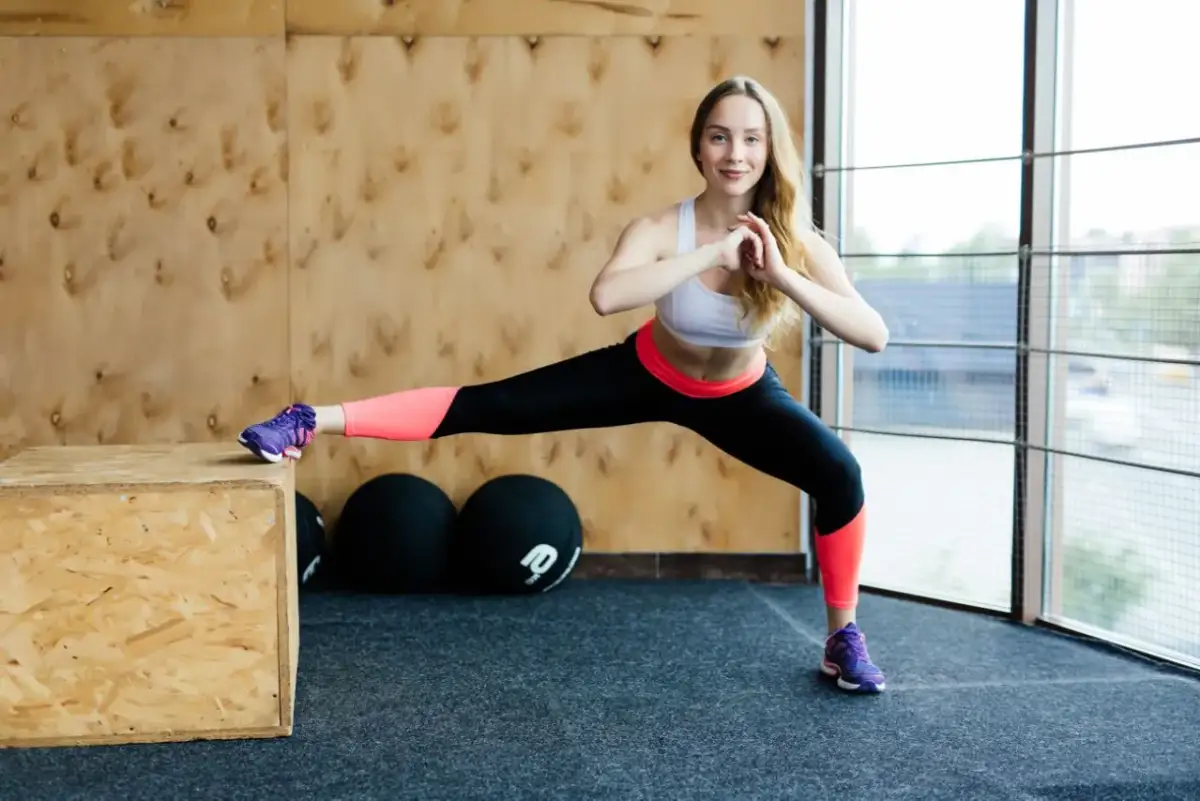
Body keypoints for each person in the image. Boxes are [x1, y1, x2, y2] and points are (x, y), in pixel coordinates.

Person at [239, 76, 891, 694]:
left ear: (770, 149)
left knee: (839, 474)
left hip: (738, 395)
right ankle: (308, 420)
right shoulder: (661, 229)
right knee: (489, 405)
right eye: (719, 136)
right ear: (698, 147)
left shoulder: (797, 243)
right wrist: (711, 255)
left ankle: (842, 637)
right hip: (646, 373)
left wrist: (780, 275)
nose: (735, 153)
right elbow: (607, 295)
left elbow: (872, 334)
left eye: (751, 138)